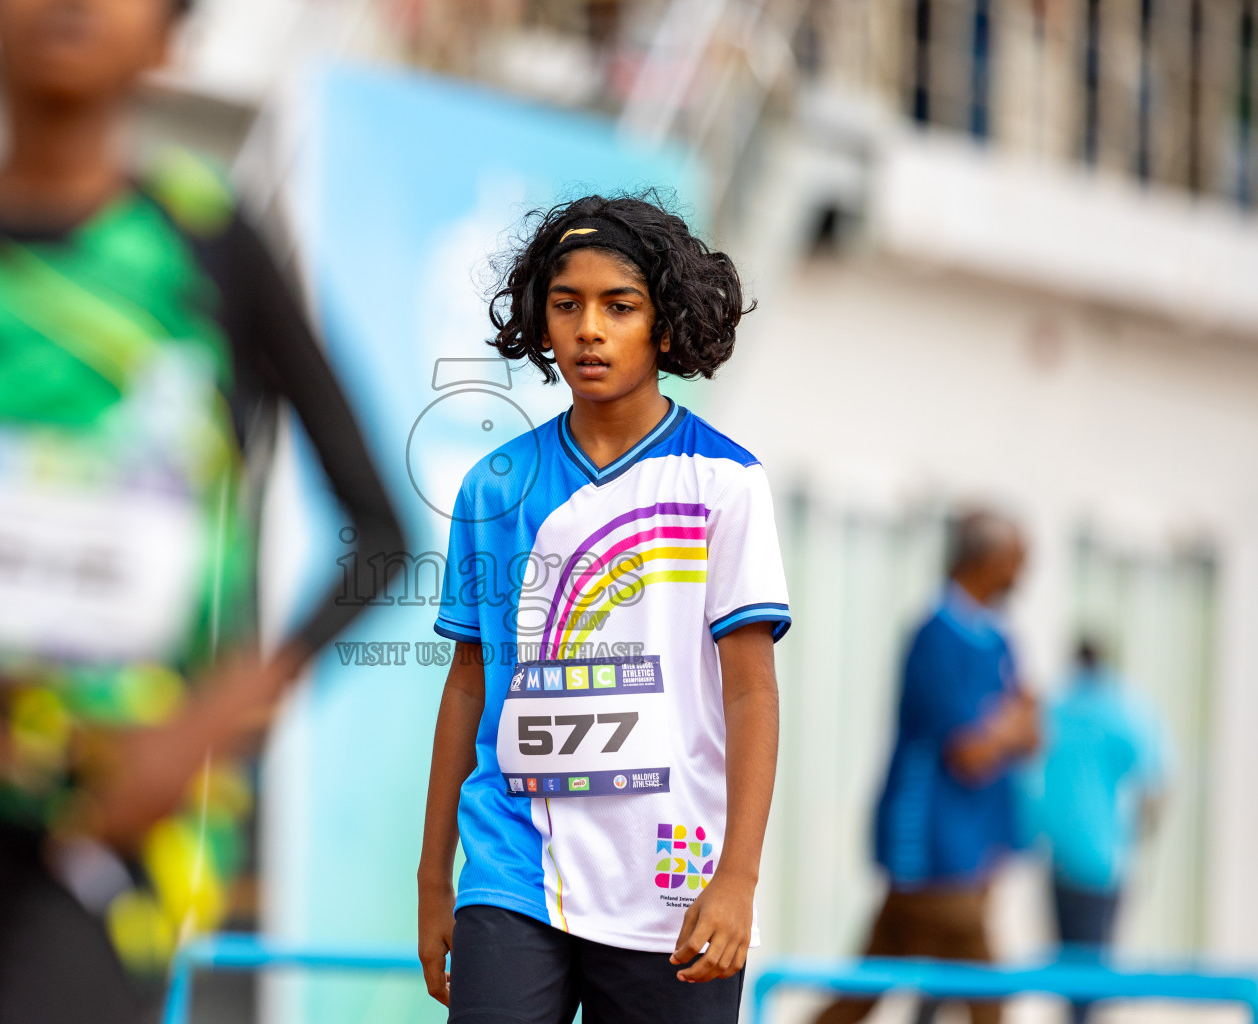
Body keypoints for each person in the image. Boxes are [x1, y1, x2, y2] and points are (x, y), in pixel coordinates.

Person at [0, 0, 403, 1019]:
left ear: (171, 34)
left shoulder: (212, 246)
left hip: (124, 824)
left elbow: (379, 534)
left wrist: (205, 729)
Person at [417, 192, 791, 1024]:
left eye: (618, 307)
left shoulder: (725, 483)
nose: (589, 328)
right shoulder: (496, 486)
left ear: (663, 324)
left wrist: (737, 877)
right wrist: (433, 878)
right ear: (540, 320)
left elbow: (751, 692)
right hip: (513, 869)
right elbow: (467, 685)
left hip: (674, 881)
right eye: (566, 305)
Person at [812, 511, 1041, 1024]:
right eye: (1015, 563)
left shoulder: (998, 639)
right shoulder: (935, 637)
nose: (1021, 577)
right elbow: (971, 754)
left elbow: (1030, 733)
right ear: (986, 561)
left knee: (866, 992)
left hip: (976, 854)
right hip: (933, 853)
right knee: (987, 1002)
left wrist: (1005, 727)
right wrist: (1009, 725)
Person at [1032, 638, 1168, 1024]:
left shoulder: (1053, 709)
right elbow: (1158, 780)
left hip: (1058, 855)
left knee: (1069, 965)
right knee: (1092, 973)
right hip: (1103, 859)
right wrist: (1140, 828)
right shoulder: (1121, 712)